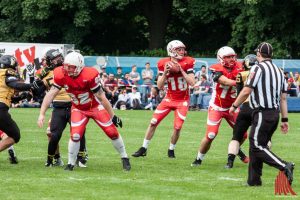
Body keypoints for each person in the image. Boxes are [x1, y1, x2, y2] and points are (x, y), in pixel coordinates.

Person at [37, 52, 131, 171]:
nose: (67, 69)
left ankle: (124, 157)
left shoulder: (89, 75)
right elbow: (50, 94)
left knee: (112, 132)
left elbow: (102, 97)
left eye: (71, 67)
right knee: (75, 135)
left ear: (80, 66)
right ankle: (71, 164)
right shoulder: (60, 74)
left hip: (94, 107)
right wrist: (42, 114)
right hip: (78, 109)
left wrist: (112, 115)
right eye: (66, 66)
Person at [229, 42, 294, 186]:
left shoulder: (257, 68)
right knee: (256, 146)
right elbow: (283, 99)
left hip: (262, 113)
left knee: (257, 146)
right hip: (274, 114)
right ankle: (254, 180)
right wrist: (284, 119)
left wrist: (234, 106)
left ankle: (284, 166)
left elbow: (246, 90)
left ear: (258, 54)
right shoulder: (279, 70)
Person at [132, 40, 195, 158]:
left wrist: (182, 70)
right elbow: (160, 86)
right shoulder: (163, 63)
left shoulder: (188, 62)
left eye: (182, 49)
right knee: (153, 122)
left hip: (182, 100)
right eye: (179, 49)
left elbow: (192, 82)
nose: (182, 51)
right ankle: (143, 148)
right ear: (171, 51)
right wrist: (165, 73)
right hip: (169, 98)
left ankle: (171, 149)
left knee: (177, 127)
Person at [191, 46, 247, 167]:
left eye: (233, 56)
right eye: (228, 57)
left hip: (233, 107)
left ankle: (236, 149)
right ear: (221, 58)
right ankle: (199, 158)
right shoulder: (216, 68)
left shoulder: (240, 66)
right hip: (217, 107)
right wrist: (243, 82)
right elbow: (225, 81)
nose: (232, 59)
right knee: (211, 135)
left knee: (243, 134)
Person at [35, 49, 88, 167]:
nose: (58, 60)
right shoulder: (44, 73)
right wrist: (33, 86)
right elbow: (39, 92)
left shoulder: (69, 69)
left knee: (78, 132)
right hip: (58, 106)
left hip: (73, 104)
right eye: (54, 59)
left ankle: (81, 155)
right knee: (52, 134)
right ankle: (55, 158)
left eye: (59, 57)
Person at [0, 55, 43, 155]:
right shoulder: (6, 72)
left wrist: (23, 96)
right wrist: (31, 86)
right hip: (1, 109)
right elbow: (15, 84)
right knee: (15, 135)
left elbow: (9, 98)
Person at [225, 54, 257, 168]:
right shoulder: (263, 73)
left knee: (236, 138)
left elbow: (240, 94)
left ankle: (230, 162)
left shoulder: (241, 74)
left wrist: (234, 106)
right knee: (263, 136)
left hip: (245, 107)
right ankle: (260, 160)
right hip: (259, 108)